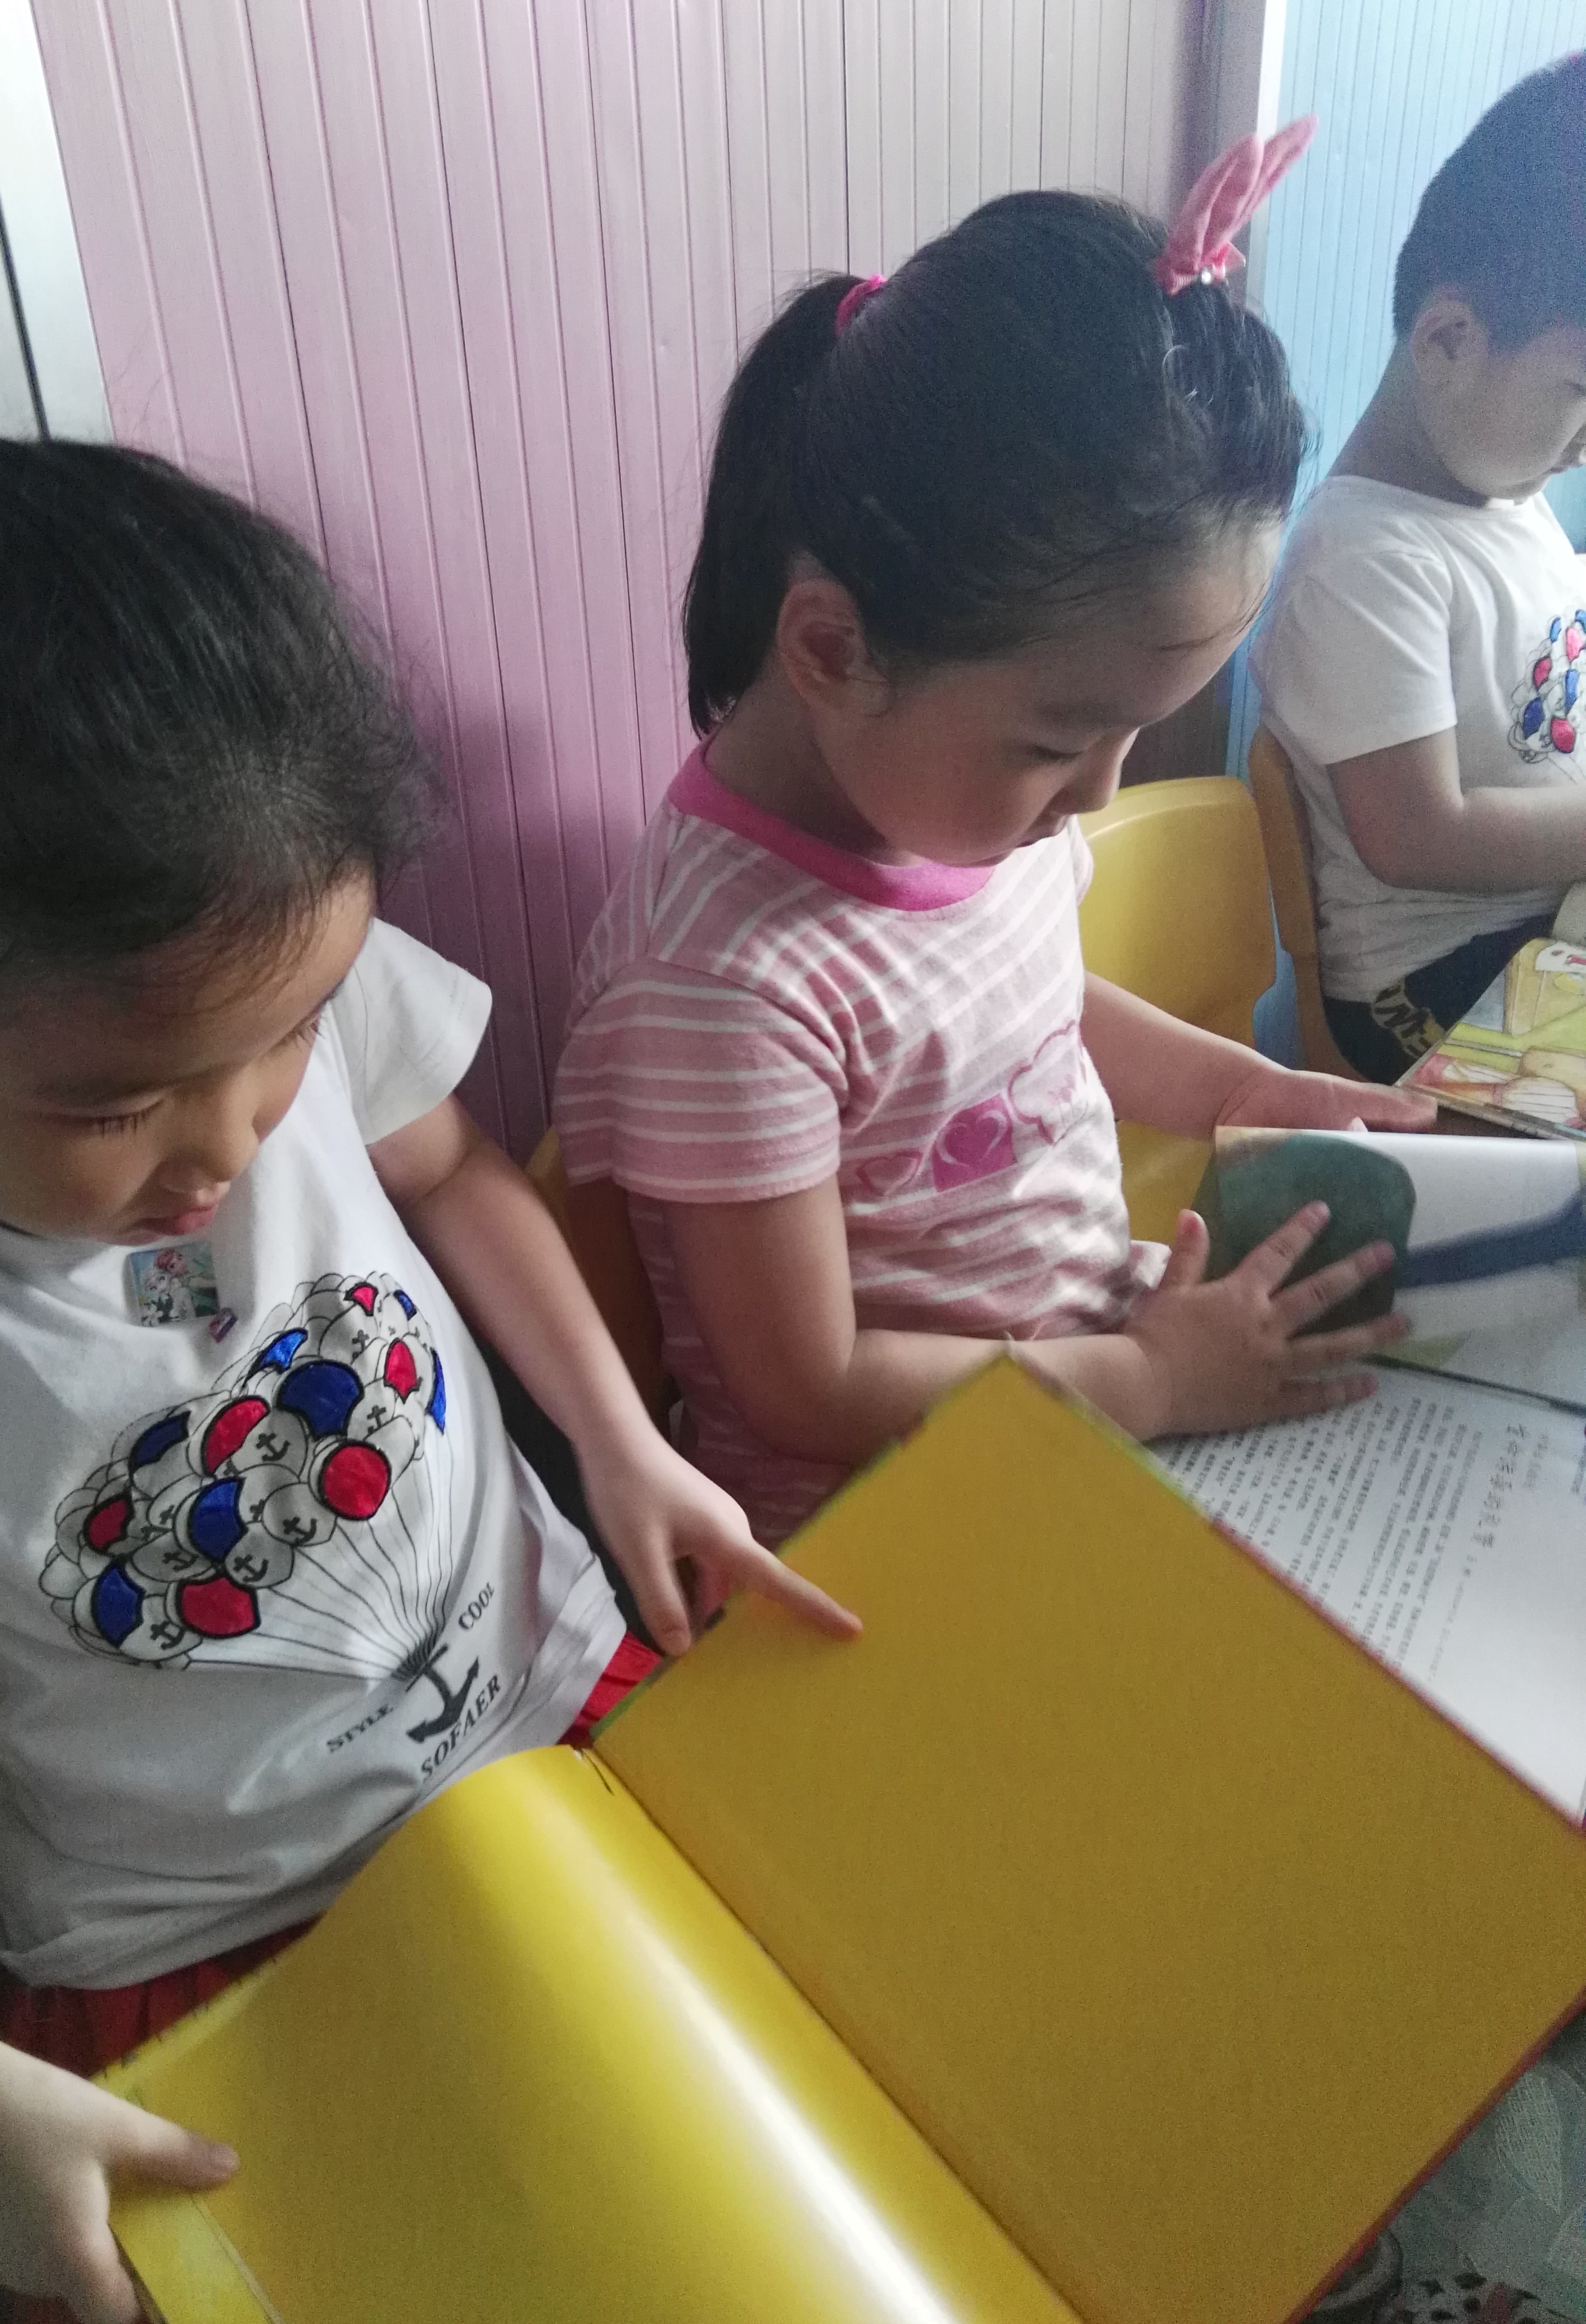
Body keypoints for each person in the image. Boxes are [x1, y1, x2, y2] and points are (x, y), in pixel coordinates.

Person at [0, 376, 856, 2324]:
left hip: (565, 1721)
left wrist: (620, 1444)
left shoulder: (263, 956)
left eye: (288, 1039)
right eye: (112, 1104)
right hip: (216, 1940)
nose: (231, 1141)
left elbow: (453, 1168)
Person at [554, 144, 1435, 1550]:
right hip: (898, 1526)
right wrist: (1149, 1381)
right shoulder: (720, 981)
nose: (1102, 790)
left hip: (1100, 1389)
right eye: (1059, 740)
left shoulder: (966, 796)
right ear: (833, 651)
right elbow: (805, 1382)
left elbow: (1036, 1012)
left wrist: (1248, 1090)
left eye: (1136, 731)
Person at [1252, 52, 1586, 1082]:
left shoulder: (1507, 491)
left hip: (1540, 926)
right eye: (1582, 393)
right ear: (1445, 340)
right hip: (1427, 991)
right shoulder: (1362, 558)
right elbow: (1417, 836)